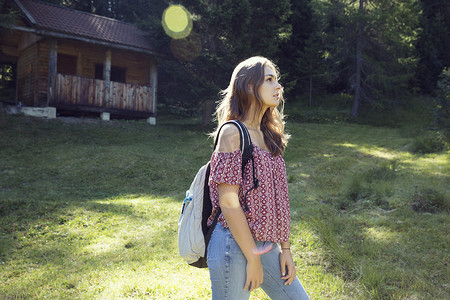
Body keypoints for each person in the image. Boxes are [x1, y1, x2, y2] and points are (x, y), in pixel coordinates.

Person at [206, 56, 310, 300]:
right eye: (270, 80)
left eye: (278, 80)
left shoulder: (268, 135)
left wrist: (285, 249)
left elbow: (280, 200)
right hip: (233, 243)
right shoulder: (232, 133)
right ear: (250, 86)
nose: (278, 87)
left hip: (266, 244)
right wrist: (252, 257)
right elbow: (228, 203)